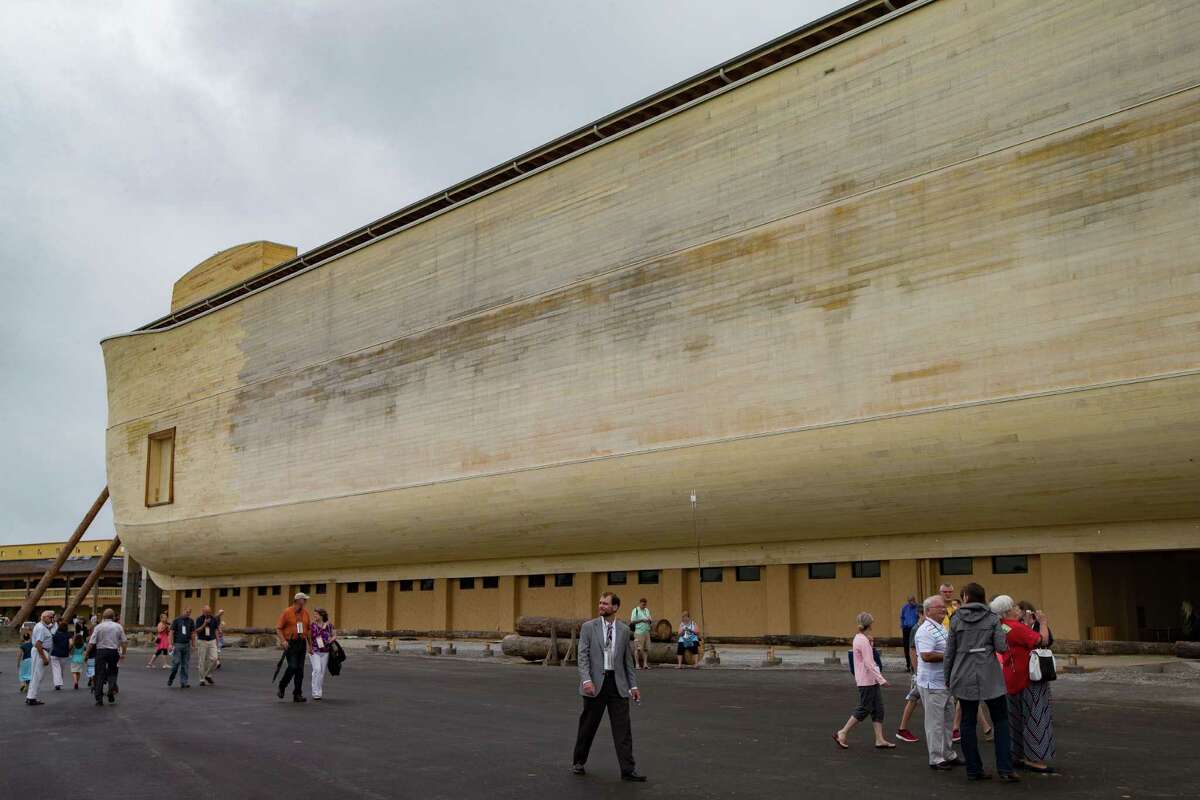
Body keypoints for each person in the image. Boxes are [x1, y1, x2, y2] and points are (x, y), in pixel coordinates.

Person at [944, 583, 1016, 782]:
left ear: (966, 597)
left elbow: (949, 652)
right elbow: (1001, 647)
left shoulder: (956, 618)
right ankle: (1005, 769)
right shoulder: (992, 618)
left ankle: (974, 769)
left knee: (967, 721)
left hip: (963, 674)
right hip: (989, 674)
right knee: (1000, 721)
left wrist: (947, 677)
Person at [571, 592, 646, 782]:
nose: (601, 606)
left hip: (617, 684)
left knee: (623, 729)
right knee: (588, 726)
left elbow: (627, 661)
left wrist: (633, 686)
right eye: (600, 603)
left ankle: (628, 770)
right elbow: (583, 656)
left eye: (605, 603)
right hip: (595, 684)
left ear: (615, 607)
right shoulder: (589, 627)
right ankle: (579, 761)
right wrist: (586, 680)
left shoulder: (623, 630)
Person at [994, 596, 1056, 774]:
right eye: (1014, 606)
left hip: (1011, 676)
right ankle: (1034, 758)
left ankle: (1018, 754)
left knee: (1016, 718)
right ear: (1007, 610)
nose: (1017, 609)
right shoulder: (1015, 626)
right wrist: (1043, 622)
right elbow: (1042, 640)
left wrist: (1027, 625)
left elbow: (1018, 639)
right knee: (1035, 716)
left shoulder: (1003, 626)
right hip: (1028, 677)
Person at [833, 612, 894, 750]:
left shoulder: (861, 638)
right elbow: (869, 662)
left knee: (878, 709)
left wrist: (871, 643)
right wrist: (882, 679)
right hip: (866, 680)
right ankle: (842, 732)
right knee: (864, 708)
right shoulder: (862, 640)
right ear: (870, 624)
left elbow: (867, 657)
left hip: (869, 679)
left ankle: (879, 739)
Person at [914, 595, 961, 770]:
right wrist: (951, 656)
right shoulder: (925, 630)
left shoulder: (941, 627)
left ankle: (948, 753)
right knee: (935, 723)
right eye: (939, 607)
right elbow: (926, 655)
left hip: (944, 683)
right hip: (932, 684)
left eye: (944, 607)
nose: (943, 609)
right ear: (927, 611)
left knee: (948, 721)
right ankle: (936, 758)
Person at [896, 604, 925, 742]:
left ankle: (902, 729)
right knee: (913, 699)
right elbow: (912, 651)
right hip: (920, 672)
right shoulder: (916, 629)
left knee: (913, 699)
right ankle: (902, 729)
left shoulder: (924, 628)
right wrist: (916, 672)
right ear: (920, 614)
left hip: (924, 672)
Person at [276, 592, 312, 702]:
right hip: (291, 643)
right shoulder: (287, 612)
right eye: (304, 599)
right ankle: (282, 686)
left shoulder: (306, 613)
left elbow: (308, 629)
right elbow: (278, 628)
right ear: (297, 600)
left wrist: (310, 645)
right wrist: (283, 641)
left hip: (301, 643)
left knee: (300, 670)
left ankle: (297, 694)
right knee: (292, 666)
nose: (305, 601)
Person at [89, 608, 128, 706]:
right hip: (113, 651)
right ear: (113, 617)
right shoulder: (118, 626)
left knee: (99, 674)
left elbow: (92, 642)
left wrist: (86, 654)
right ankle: (111, 689)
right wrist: (123, 653)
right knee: (113, 672)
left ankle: (99, 698)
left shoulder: (98, 627)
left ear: (103, 617)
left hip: (101, 651)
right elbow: (124, 641)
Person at [26, 610, 55, 706]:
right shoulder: (41, 628)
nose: (52, 619)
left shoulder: (42, 627)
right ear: (44, 617)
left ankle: (30, 696)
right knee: (37, 676)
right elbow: (38, 644)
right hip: (41, 651)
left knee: (35, 675)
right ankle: (31, 698)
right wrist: (44, 658)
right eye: (50, 617)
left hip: (40, 651)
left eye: (52, 617)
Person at [309, 608, 335, 701]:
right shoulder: (312, 625)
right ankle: (315, 692)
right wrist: (323, 627)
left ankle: (319, 692)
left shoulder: (329, 625)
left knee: (321, 673)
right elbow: (314, 636)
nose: (314, 616)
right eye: (314, 614)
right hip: (314, 650)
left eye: (316, 614)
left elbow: (334, 635)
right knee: (317, 669)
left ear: (321, 615)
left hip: (325, 651)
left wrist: (331, 639)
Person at [194, 606, 223, 686]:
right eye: (207, 612)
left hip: (212, 640)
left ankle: (207, 674)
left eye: (209, 612)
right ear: (203, 611)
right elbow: (197, 631)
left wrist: (218, 639)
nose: (208, 614)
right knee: (202, 660)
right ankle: (202, 679)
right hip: (202, 641)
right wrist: (204, 624)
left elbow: (216, 629)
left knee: (214, 659)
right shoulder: (199, 619)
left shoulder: (213, 619)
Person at [168, 607, 195, 689]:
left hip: (187, 644)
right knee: (176, 663)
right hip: (177, 644)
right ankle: (172, 677)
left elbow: (193, 633)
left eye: (189, 612)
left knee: (185, 664)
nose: (188, 613)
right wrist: (170, 644)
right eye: (187, 611)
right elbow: (171, 632)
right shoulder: (176, 620)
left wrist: (193, 644)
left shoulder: (191, 621)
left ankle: (184, 682)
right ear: (183, 611)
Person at [630, 598, 653, 670]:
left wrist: (649, 620)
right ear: (640, 603)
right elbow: (632, 621)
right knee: (638, 649)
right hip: (638, 632)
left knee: (646, 649)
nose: (644, 606)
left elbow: (650, 619)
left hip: (646, 631)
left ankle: (645, 664)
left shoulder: (647, 610)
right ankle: (637, 664)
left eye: (645, 604)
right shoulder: (635, 610)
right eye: (643, 604)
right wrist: (642, 620)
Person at [50, 617, 72, 690]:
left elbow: (52, 643)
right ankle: (59, 682)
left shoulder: (56, 634)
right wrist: (69, 649)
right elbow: (71, 643)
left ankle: (57, 683)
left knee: (56, 669)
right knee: (61, 669)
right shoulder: (68, 634)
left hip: (55, 653)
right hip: (64, 654)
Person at [900, 596, 920, 673]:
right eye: (909, 601)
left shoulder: (918, 607)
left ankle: (914, 664)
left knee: (914, 646)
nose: (910, 602)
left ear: (914, 600)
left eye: (911, 601)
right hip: (906, 629)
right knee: (906, 647)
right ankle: (908, 665)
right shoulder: (905, 607)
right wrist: (902, 625)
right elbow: (902, 617)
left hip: (914, 629)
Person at [17, 627, 33, 693]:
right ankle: (27, 687)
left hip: (25, 660)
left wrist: (18, 663)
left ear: (24, 638)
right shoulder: (33, 645)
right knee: (29, 674)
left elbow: (19, 655)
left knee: (22, 673)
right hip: (32, 660)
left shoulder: (22, 646)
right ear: (29, 638)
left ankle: (22, 684)